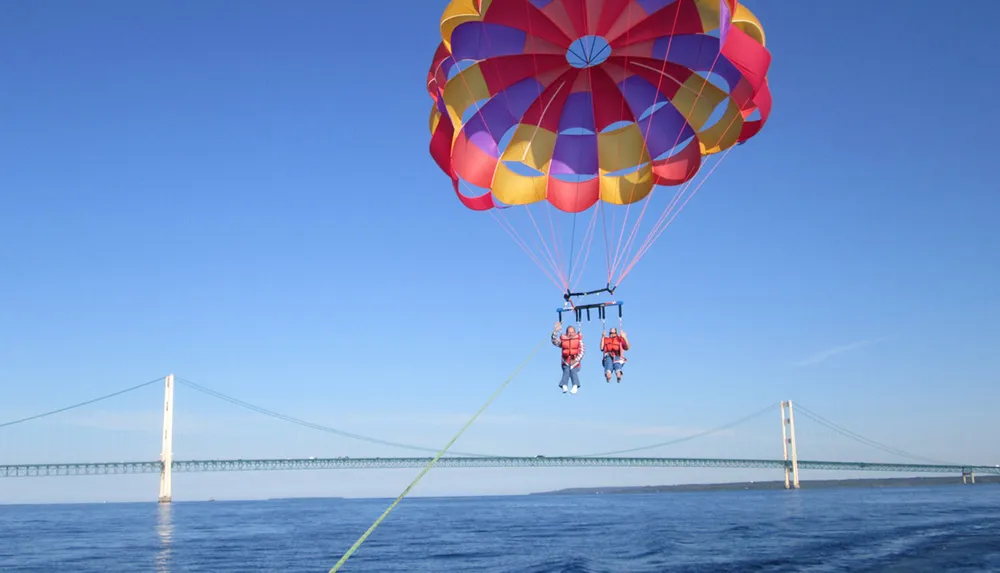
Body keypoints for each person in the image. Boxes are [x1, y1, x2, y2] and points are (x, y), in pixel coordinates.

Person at [551, 322, 584, 394]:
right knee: (566, 370)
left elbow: (582, 351)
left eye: (572, 332)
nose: (571, 334)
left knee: (572, 370)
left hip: (575, 362)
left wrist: (576, 360)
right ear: (566, 333)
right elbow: (555, 342)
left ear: (575, 333)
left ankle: (575, 385)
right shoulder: (564, 341)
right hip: (565, 361)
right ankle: (564, 385)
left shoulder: (578, 341)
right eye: (569, 332)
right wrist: (555, 331)